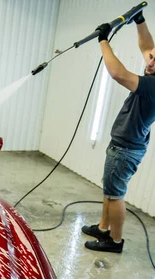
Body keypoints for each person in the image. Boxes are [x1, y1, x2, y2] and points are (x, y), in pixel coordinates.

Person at [82, 11, 155, 253]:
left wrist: (104, 40)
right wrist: (140, 21)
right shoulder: (153, 73)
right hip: (126, 146)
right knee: (110, 189)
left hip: (125, 150)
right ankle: (104, 228)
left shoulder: (152, 85)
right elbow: (148, 47)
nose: (150, 62)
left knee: (115, 195)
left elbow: (118, 73)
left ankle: (114, 241)